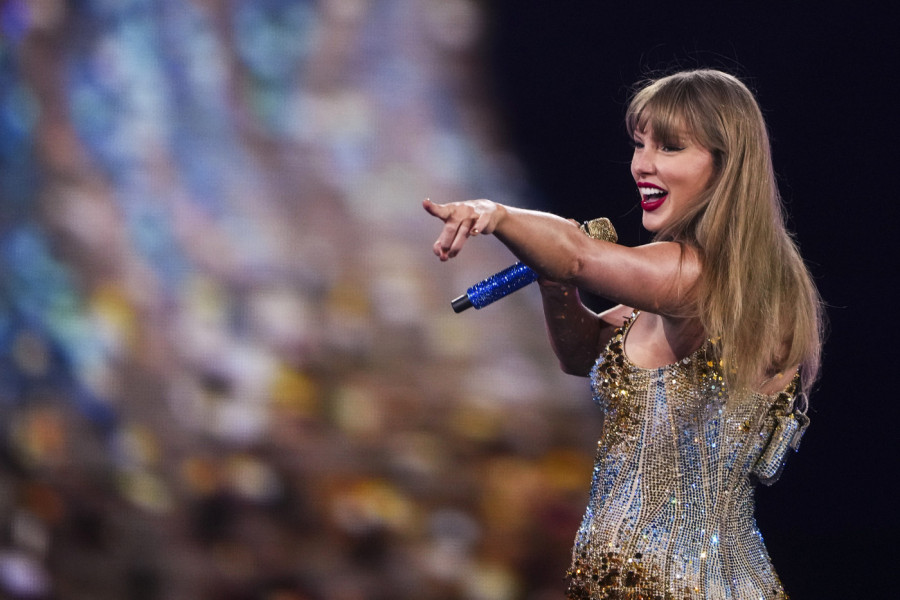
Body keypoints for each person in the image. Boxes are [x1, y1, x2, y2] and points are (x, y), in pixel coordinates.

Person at [423, 69, 823, 599]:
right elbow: (586, 355)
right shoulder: (665, 281)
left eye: (670, 147)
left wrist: (495, 214)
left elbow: (579, 256)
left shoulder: (717, 280)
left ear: (726, 166)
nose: (642, 164)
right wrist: (555, 285)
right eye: (640, 144)